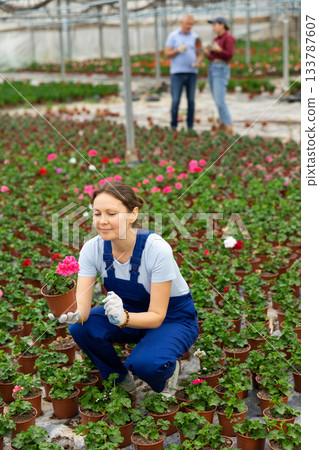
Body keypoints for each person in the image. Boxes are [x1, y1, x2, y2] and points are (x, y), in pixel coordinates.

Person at [49, 181, 199, 397]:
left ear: (132, 215)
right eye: (97, 213)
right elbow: (82, 307)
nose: (102, 221)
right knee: (80, 328)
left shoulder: (156, 249)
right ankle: (118, 377)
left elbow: (157, 316)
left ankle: (166, 373)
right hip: (125, 312)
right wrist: (70, 314)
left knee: (145, 364)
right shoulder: (93, 249)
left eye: (112, 214)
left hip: (172, 319)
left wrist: (124, 318)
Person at [165, 15, 202, 130]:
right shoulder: (173, 36)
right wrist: (178, 50)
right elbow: (167, 54)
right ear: (181, 23)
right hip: (177, 73)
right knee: (175, 100)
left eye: (191, 24)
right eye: (187, 24)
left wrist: (198, 62)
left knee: (191, 100)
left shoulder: (196, 38)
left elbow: (200, 54)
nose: (189, 26)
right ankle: (173, 125)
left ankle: (190, 126)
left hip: (192, 73)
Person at [203, 17, 236, 136]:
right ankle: (223, 125)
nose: (214, 27)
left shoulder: (229, 38)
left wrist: (219, 50)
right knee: (216, 99)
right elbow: (212, 57)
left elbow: (229, 55)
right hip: (213, 68)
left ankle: (229, 126)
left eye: (215, 25)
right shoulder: (216, 39)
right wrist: (208, 53)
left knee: (220, 100)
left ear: (222, 25)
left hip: (221, 69)